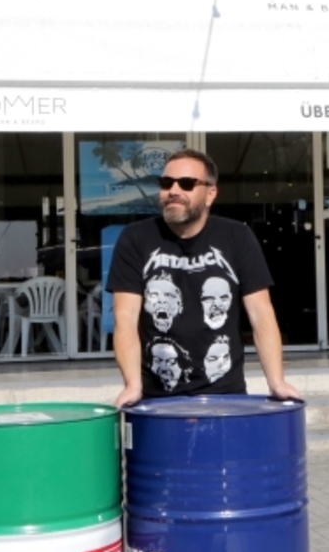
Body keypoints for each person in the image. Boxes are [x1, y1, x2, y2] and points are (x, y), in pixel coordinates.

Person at [107, 148, 301, 407]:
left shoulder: (237, 237)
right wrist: (132, 385)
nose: (174, 190)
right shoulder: (136, 238)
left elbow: (261, 313)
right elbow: (125, 318)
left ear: (210, 194)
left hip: (225, 395)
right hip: (157, 399)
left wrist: (276, 381)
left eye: (186, 183)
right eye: (166, 183)